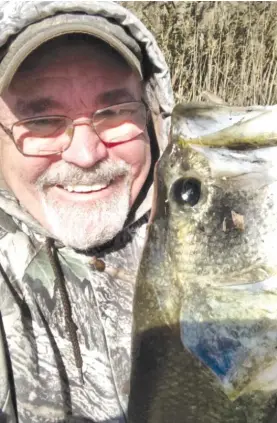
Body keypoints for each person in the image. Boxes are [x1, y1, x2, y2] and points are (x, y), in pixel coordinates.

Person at [0, 1, 173, 422]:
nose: (85, 154)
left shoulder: (223, 236)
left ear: (152, 117)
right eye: (41, 120)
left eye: (114, 112)